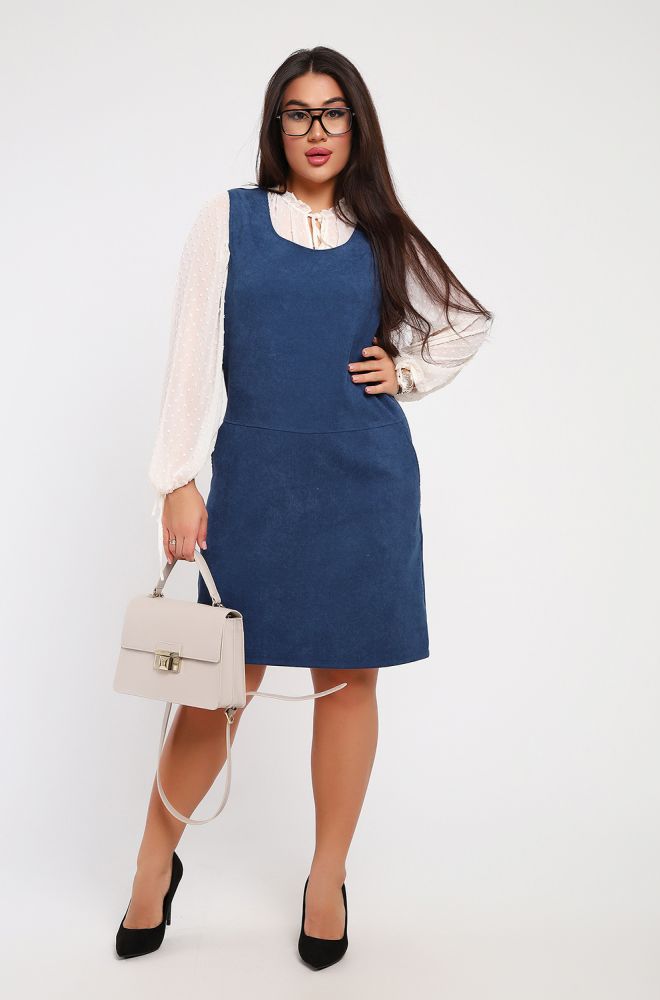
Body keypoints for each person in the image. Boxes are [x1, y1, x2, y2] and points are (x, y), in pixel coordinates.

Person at [115, 45, 493, 970]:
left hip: (365, 480)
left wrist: (404, 372)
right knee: (219, 683)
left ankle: (327, 879)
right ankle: (153, 862)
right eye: (297, 113)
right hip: (258, 478)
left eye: (332, 113)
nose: (315, 131)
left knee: (349, 680)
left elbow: (465, 320)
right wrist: (176, 477)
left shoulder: (380, 229)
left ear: (354, 126)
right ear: (275, 126)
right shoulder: (229, 219)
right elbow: (190, 353)